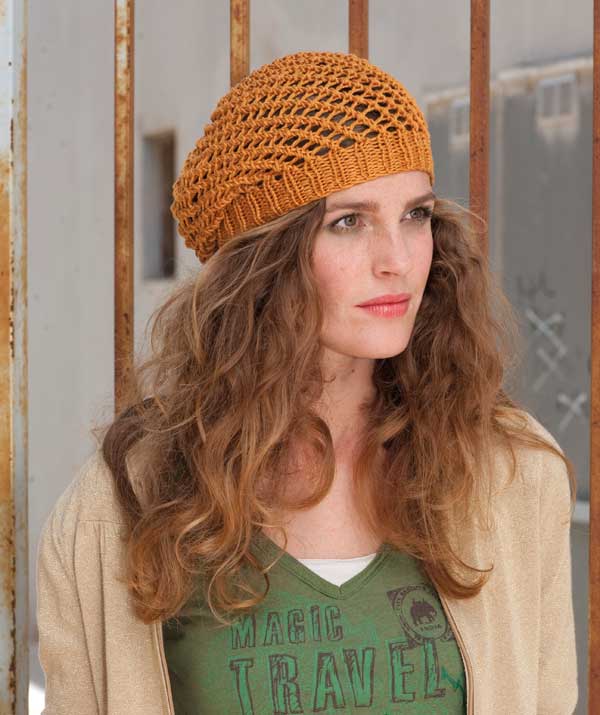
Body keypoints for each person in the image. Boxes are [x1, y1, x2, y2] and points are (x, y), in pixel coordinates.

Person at [36, 50, 578, 714]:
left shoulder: (511, 474)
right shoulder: (125, 504)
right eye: (349, 221)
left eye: (416, 215)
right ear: (264, 258)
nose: (399, 259)